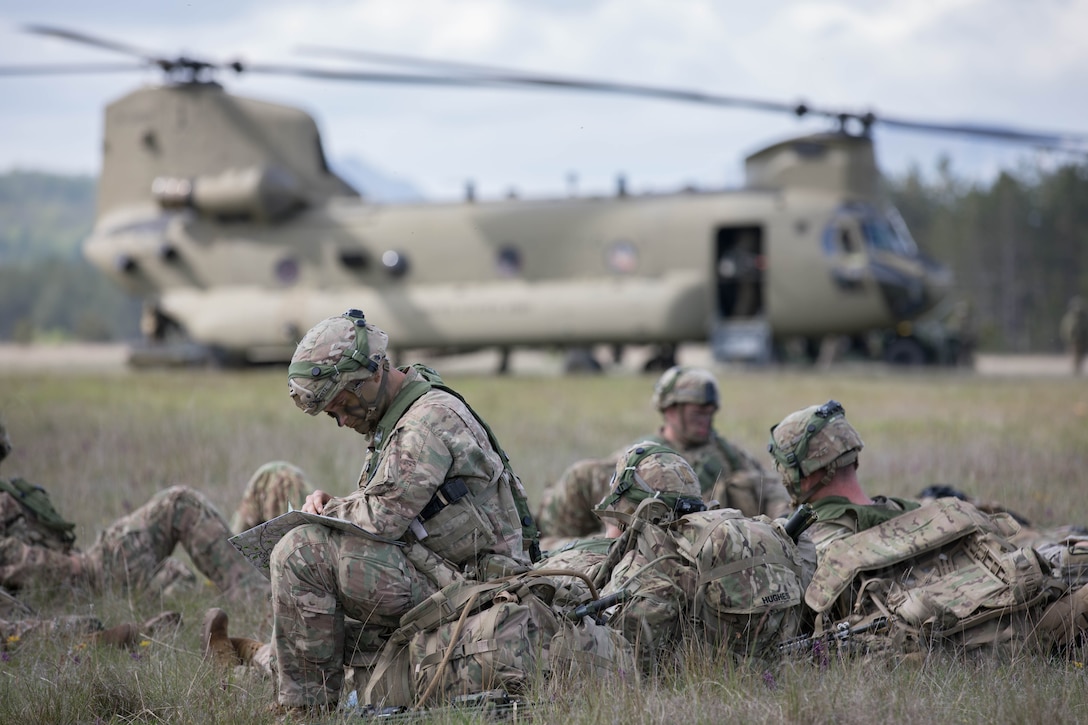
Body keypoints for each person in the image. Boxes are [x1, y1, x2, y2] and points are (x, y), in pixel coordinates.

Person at [229, 309, 536, 714]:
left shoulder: (424, 424)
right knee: (323, 621)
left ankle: (304, 710)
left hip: (475, 588)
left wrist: (331, 509)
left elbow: (383, 518)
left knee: (301, 553)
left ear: (372, 375)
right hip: (451, 572)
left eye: (341, 404)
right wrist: (335, 505)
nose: (340, 421)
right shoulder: (408, 407)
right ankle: (256, 659)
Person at [767, 400, 1088, 656]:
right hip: (1033, 605)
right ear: (852, 456)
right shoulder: (932, 511)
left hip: (975, 636)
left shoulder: (812, 543)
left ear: (803, 474)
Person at [0, 416, 266, 601]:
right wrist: (77, 568)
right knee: (179, 503)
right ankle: (257, 598)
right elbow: (9, 559)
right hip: (86, 576)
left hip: (84, 573)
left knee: (175, 576)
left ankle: (254, 592)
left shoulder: (10, 491)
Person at [536, 366, 791, 545]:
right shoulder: (638, 460)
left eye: (709, 413)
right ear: (670, 410)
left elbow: (771, 491)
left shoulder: (730, 456)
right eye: (697, 413)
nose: (705, 420)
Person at [1060, 295, 1087, 376]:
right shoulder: (1070, 319)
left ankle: (1078, 370)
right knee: (1076, 355)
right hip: (1075, 340)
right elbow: (1067, 330)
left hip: (1082, 340)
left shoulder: (1084, 319)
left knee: (1081, 356)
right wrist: (1069, 339)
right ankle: (1076, 370)